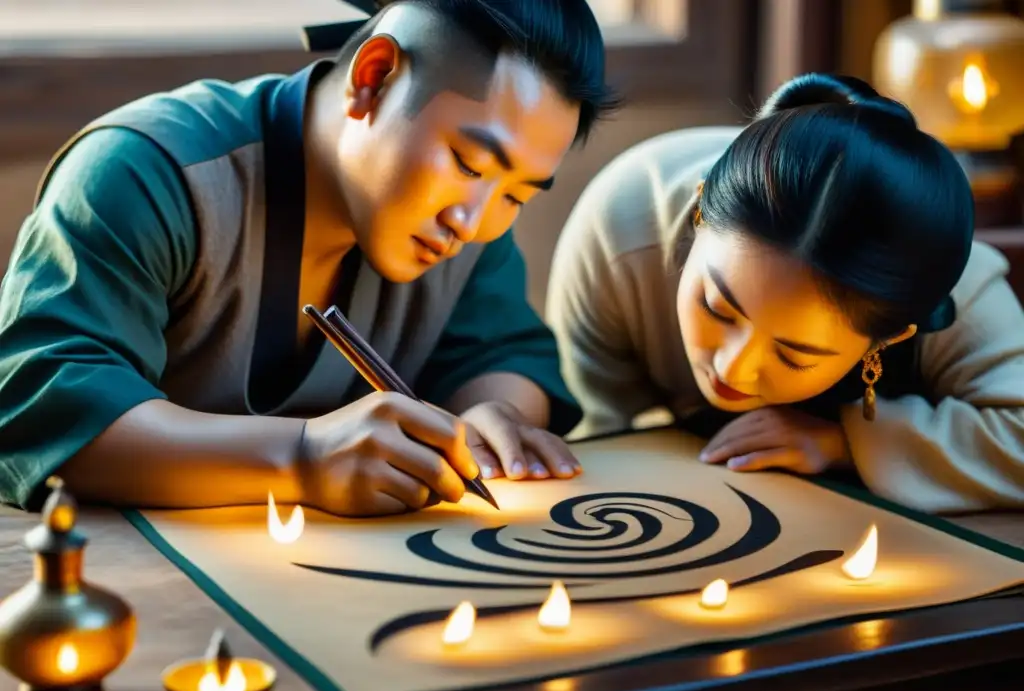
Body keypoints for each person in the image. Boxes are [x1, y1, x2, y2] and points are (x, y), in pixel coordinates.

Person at [0, 0, 618, 515]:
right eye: (467, 163)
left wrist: (491, 416)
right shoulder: (147, 174)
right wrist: (299, 458)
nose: (475, 219)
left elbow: (501, 353)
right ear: (372, 78)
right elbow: (44, 409)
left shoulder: (471, 225)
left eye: (515, 193)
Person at [547, 73, 1024, 513]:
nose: (732, 367)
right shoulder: (624, 224)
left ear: (888, 338)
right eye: (716, 307)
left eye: (795, 354)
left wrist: (846, 442)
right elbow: (594, 438)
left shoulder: (938, 282)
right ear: (699, 212)